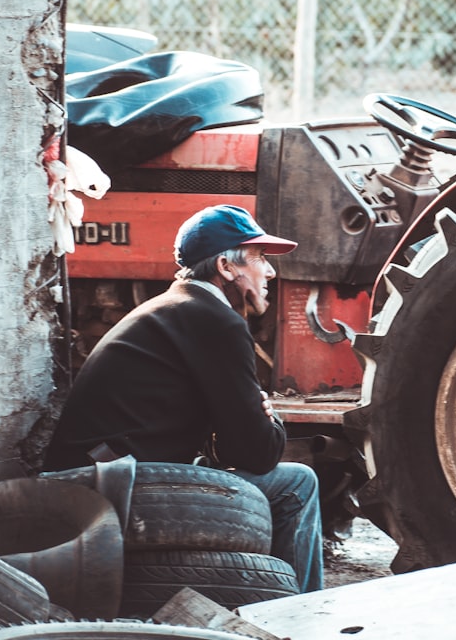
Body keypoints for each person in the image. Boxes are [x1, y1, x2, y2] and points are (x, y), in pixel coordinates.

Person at [43, 204, 323, 593]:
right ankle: (300, 616)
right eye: (260, 258)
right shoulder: (214, 320)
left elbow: (233, 449)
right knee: (298, 485)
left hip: (98, 475)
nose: (271, 272)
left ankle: (267, 597)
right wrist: (270, 418)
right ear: (226, 267)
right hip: (102, 486)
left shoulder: (178, 309)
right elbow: (258, 454)